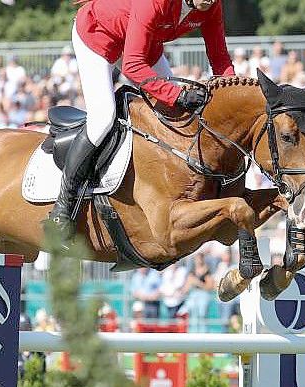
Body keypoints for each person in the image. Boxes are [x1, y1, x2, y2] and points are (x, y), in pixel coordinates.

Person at [46, 0, 235, 238]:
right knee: (103, 118)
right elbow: (132, 66)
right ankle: (63, 207)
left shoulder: (212, 5)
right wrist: (177, 94)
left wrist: (232, 94)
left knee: (178, 114)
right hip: (98, 36)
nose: (210, 0)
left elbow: (219, 57)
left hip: (144, 43)